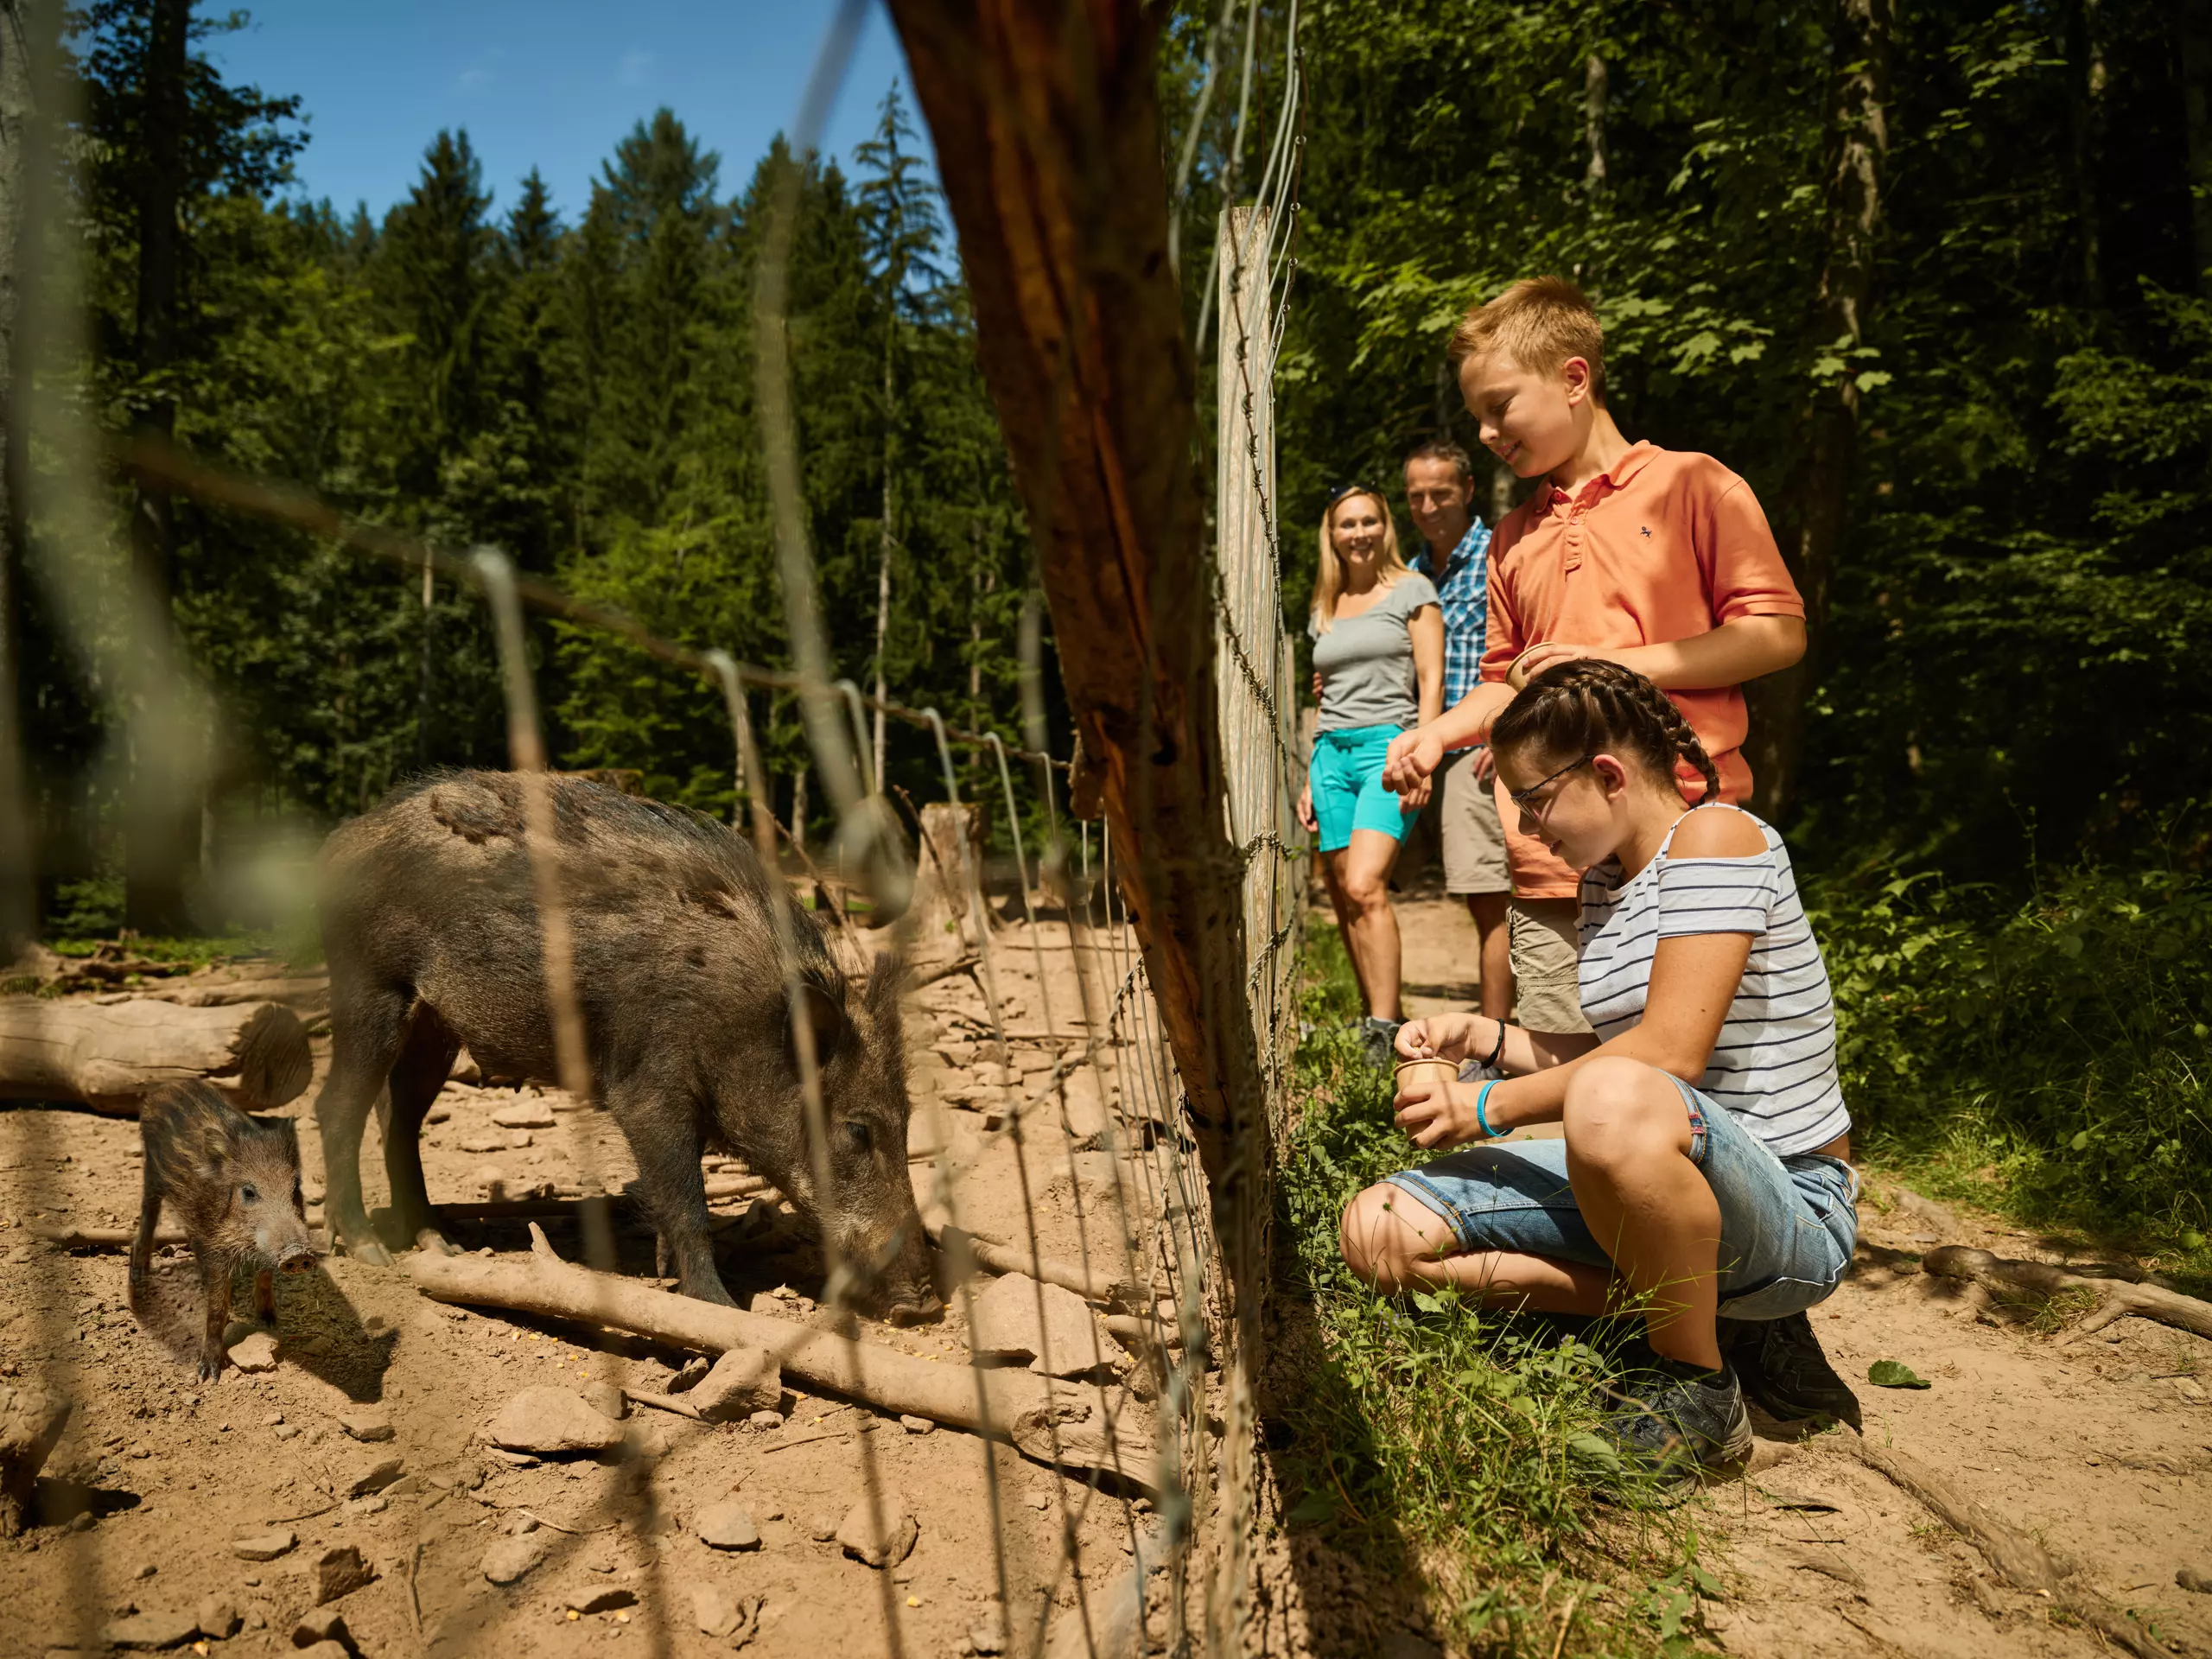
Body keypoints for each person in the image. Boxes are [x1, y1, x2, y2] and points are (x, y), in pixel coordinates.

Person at [1339, 658, 1860, 1484]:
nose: (1530, 831)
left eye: (1535, 802)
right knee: (1378, 1231)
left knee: (1616, 1100)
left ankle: (1696, 1389)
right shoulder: (1606, 883)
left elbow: (1664, 1056)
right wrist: (1480, 1035)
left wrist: (1488, 1107)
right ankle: (1689, 1313)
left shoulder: (1720, 838)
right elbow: (1604, 1057)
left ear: (1608, 774)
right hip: (1648, 1166)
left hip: (1790, 1207)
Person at [1382, 276, 1807, 1061]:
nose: (1484, 432)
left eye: (1500, 405)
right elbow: (1505, 679)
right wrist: (1434, 735)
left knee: (1697, 1077)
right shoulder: (1512, 537)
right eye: (1475, 414)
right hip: (1552, 861)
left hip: (1683, 837)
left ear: (1574, 379)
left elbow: (1777, 633)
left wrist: (1608, 662)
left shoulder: (1696, 485)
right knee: (1561, 1069)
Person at [1298, 484, 1443, 1067]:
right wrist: (1311, 776)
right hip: (1329, 753)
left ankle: (1384, 1039)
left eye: (1368, 521)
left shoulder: (1412, 590)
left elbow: (1430, 679)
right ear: (1330, 536)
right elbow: (1326, 691)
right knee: (1343, 896)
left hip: (1388, 749)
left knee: (1364, 886)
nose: (1357, 533)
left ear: (1385, 527)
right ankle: (1373, 1022)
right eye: (1345, 524)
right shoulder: (1323, 606)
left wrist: (1423, 749)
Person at [1401, 437, 1512, 1025]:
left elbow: (1531, 642)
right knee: (1475, 890)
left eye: (1440, 493)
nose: (1427, 505)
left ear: (1467, 491)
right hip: (1430, 748)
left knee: (1491, 896)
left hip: (1483, 749)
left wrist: (1508, 730)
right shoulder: (1411, 574)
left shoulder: (1502, 552)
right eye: (1416, 495)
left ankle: (1494, 1039)